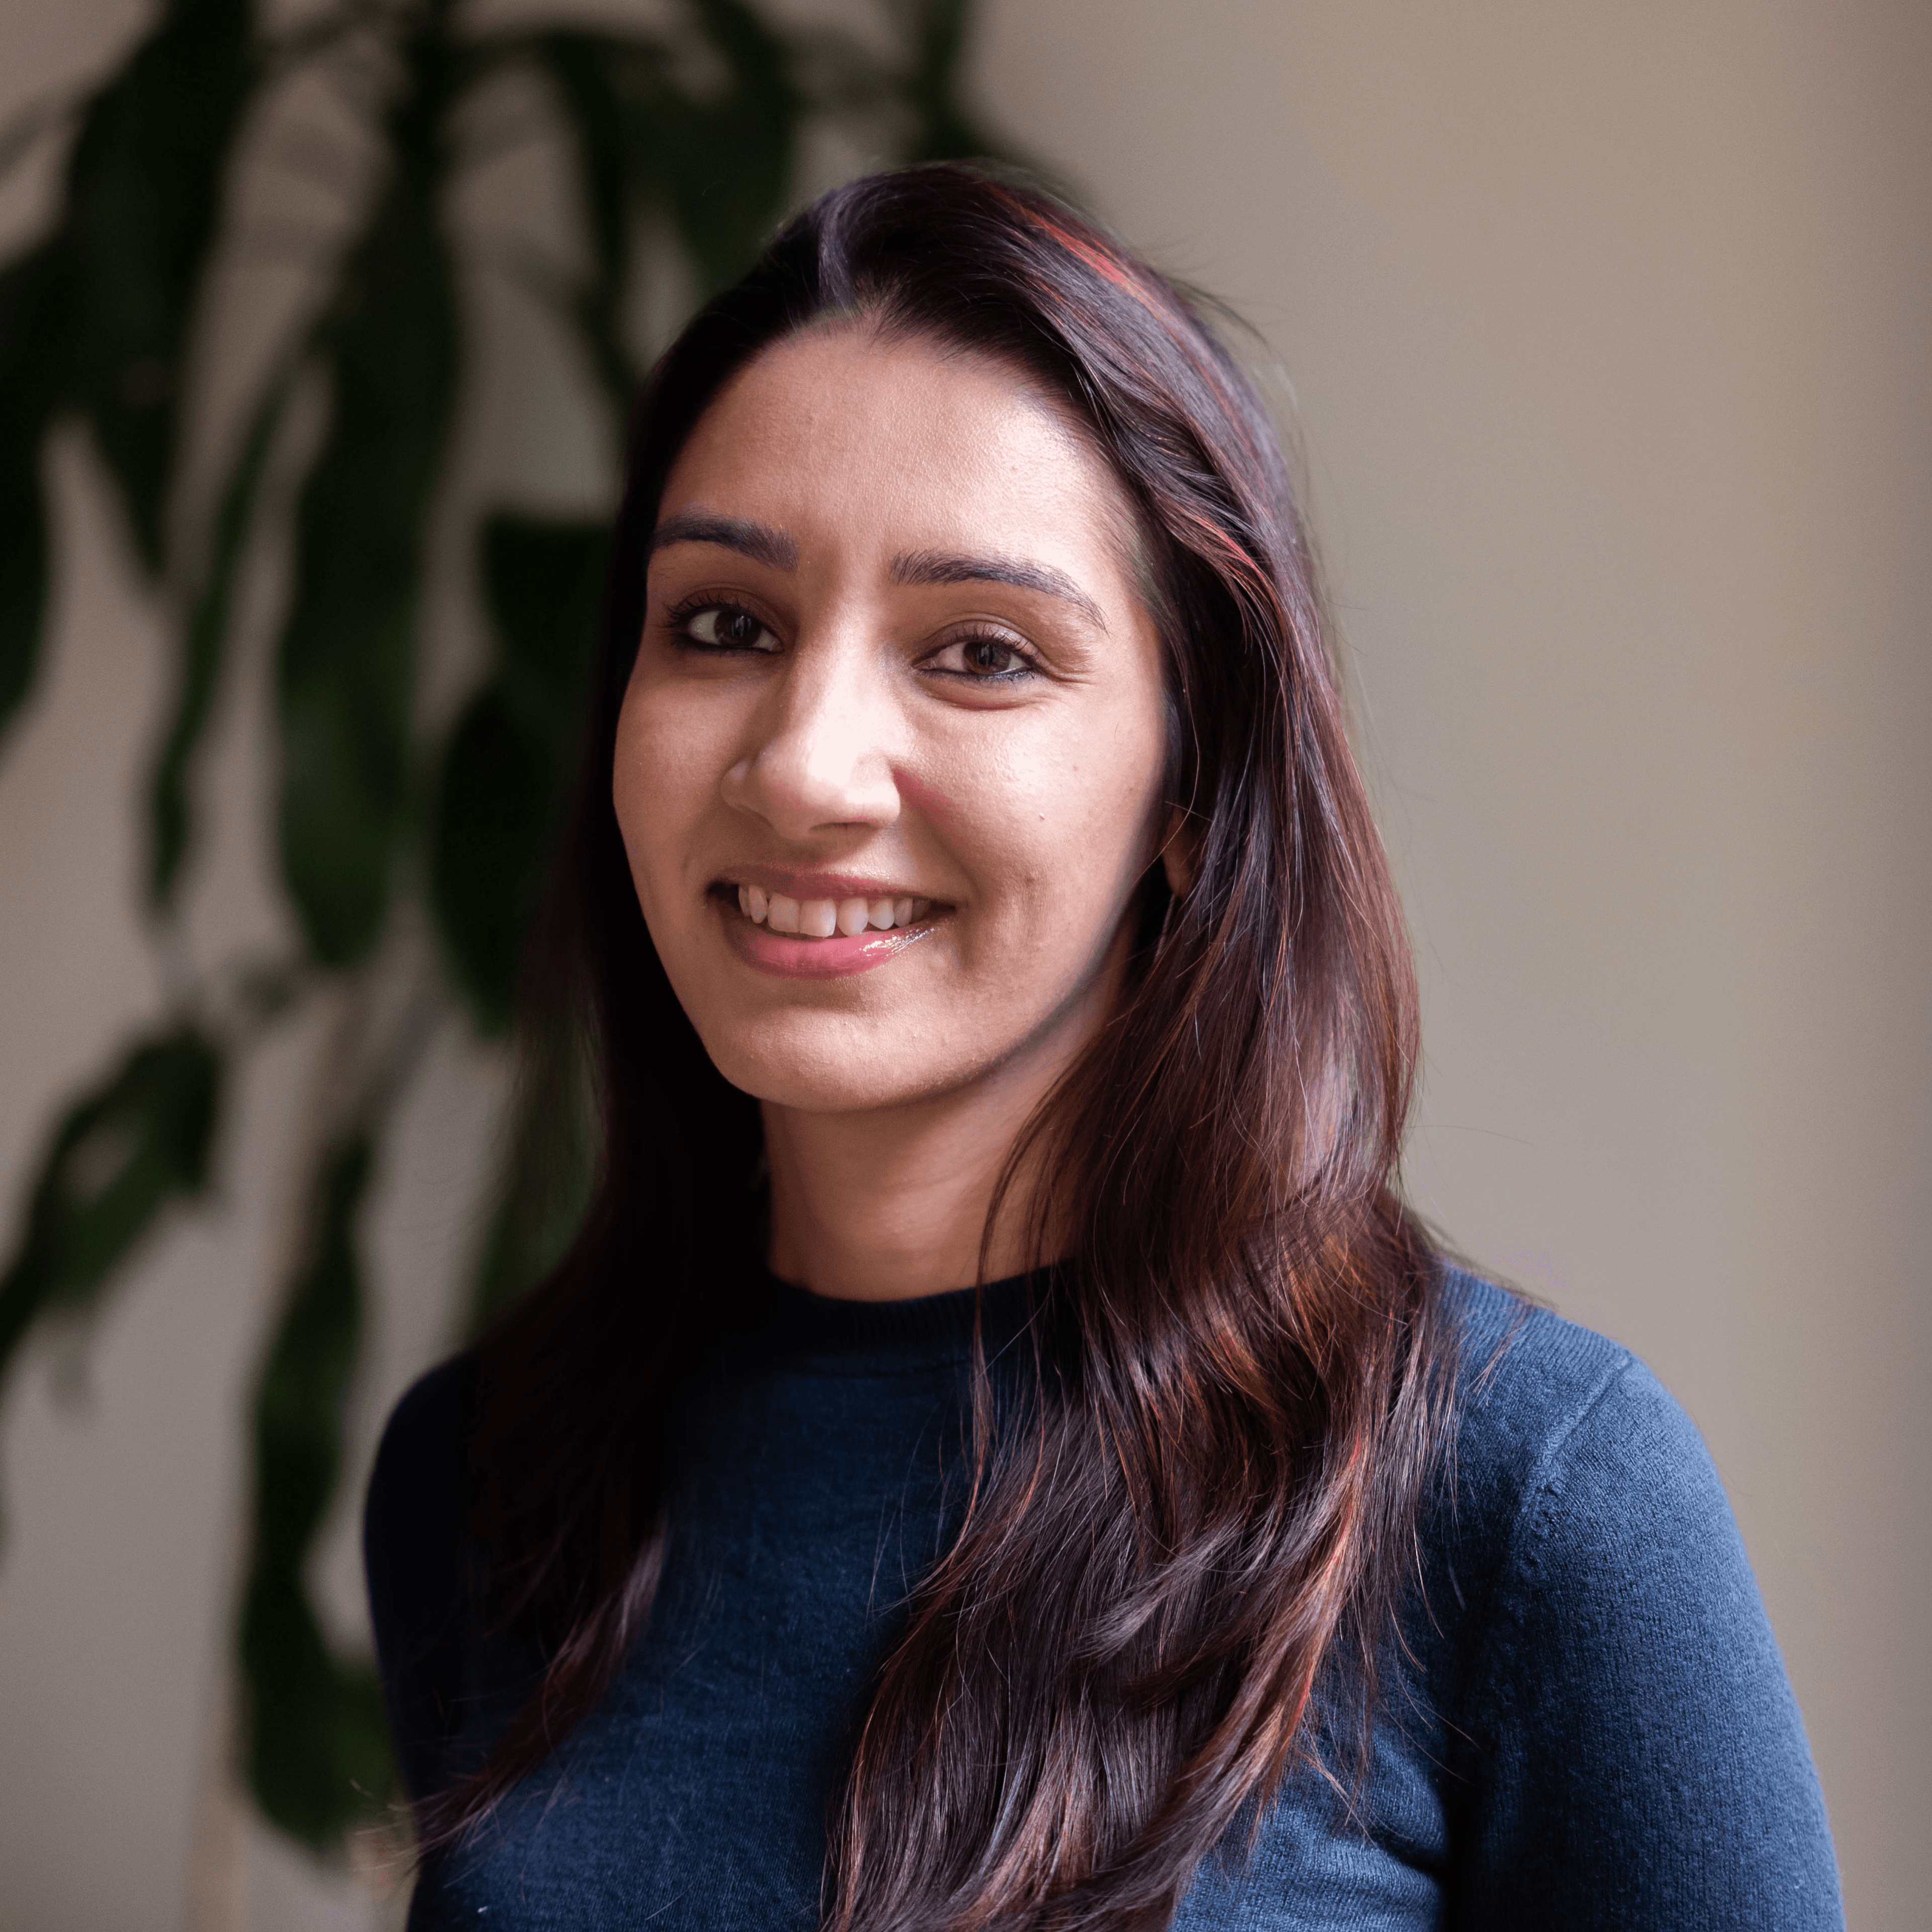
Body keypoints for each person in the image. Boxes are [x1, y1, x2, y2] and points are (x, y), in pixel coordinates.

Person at [364, 165, 1840, 1930]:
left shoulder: (1530, 1496)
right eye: (726, 627)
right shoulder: (490, 1471)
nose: (807, 765)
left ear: (1190, 790)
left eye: (979, 652)